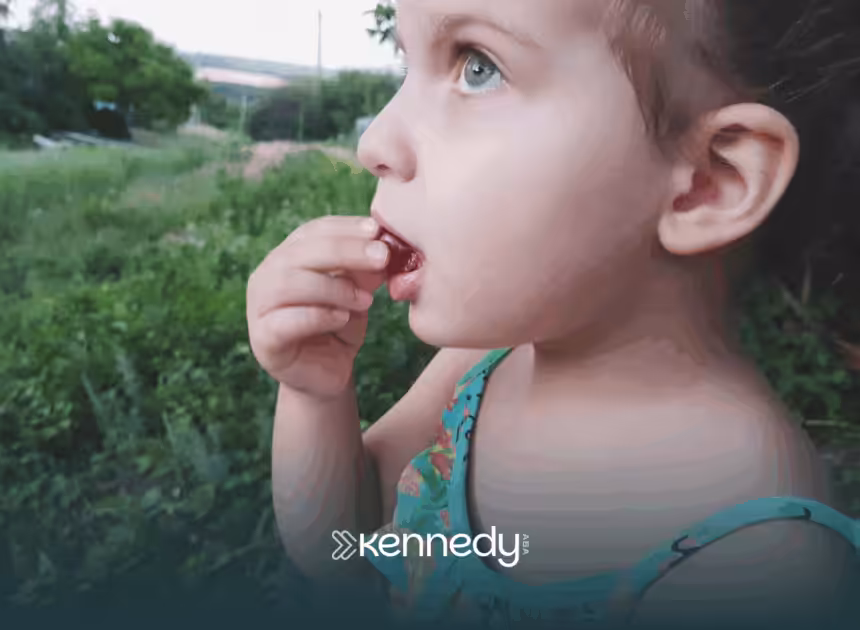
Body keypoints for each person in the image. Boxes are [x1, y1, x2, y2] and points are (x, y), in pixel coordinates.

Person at [246, 0, 860, 627]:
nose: (374, 141)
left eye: (478, 67)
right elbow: (343, 546)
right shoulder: (483, 366)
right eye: (408, 64)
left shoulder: (757, 558)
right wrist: (316, 395)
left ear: (709, 182)